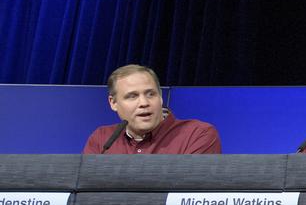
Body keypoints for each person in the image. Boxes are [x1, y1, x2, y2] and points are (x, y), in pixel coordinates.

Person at [82, 64, 221, 154]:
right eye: (132, 96)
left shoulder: (197, 134)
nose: (144, 103)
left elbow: (189, 187)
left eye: (150, 94)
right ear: (113, 103)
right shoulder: (102, 139)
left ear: (160, 97)